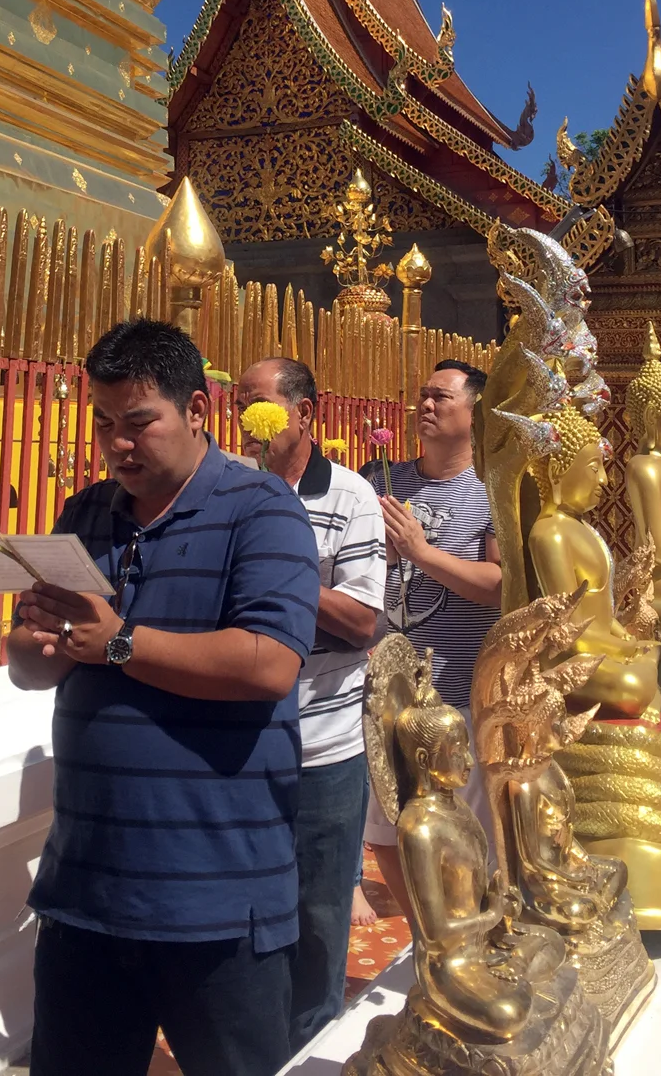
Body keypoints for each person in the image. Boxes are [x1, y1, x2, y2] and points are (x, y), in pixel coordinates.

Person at [11, 320, 320, 1076]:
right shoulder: (85, 516)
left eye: (140, 422)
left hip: (215, 897)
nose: (119, 443)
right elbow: (31, 667)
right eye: (105, 424)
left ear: (197, 412)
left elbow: (269, 662)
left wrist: (119, 642)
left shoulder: (263, 512)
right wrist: (36, 642)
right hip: (86, 889)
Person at [237, 357, 385, 1052]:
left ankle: (313, 1047)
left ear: (305, 413)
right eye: (239, 403)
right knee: (246, 911)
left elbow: (360, 622)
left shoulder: (351, 497)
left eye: (259, 403)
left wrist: (277, 573)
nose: (246, 417)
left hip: (325, 742)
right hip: (240, 738)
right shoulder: (230, 489)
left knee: (321, 913)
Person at [358, 359, 502, 921]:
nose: (426, 405)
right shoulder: (381, 481)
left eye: (441, 397)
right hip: (388, 686)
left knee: (460, 828)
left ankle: (469, 926)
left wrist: (421, 552)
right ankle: (426, 931)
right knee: (386, 826)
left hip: (457, 688)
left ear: (475, 413)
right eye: (422, 394)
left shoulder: (490, 491)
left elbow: (497, 586)